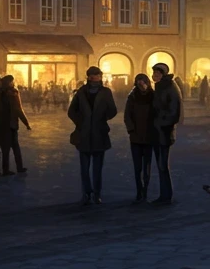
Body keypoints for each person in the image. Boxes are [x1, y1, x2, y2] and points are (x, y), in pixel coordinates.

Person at [66, 66, 118, 206]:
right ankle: (86, 194)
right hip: (83, 134)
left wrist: (101, 119)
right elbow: (71, 111)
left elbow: (113, 110)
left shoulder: (106, 92)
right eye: (92, 75)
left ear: (100, 77)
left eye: (97, 75)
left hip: (99, 134)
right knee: (84, 168)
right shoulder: (81, 92)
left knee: (97, 168)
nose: (94, 77)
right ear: (88, 77)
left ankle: (97, 194)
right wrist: (81, 121)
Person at [150, 62, 181, 204]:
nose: (155, 75)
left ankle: (166, 195)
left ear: (163, 75)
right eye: (154, 73)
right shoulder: (161, 86)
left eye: (157, 74)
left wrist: (159, 121)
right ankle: (164, 194)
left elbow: (174, 112)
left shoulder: (169, 87)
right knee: (161, 164)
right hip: (158, 132)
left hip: (164, 132)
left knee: (163, 164)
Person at [123, 73, 156, 204]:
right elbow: (127, 115)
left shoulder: (153, 96)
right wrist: (131, 129)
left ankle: (145, 190)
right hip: (136, 137)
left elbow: (157, 113)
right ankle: (139, 190)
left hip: (149, 137)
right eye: (138, 82)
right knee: (137, 167)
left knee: (147, 166)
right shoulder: (132, 97)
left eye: (143, 81)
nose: (141, 84)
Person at [0, 73, 30, 175]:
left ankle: (5, 169)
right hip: (12, 124)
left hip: (3, 124)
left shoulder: (0, 93)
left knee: (5, 148)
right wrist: (26, 123)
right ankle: (19, 167)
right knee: (15, 147)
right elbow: (18, 110)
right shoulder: (14, 93)